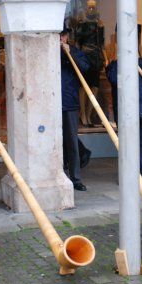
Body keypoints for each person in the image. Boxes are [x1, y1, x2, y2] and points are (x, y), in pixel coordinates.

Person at [106, 49, 142, 186]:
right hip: (125, 112)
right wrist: (121, 63)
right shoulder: (115, 65)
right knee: (126, 145)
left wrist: (139, 63)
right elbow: (113, 79)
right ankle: (127, 174)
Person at [60, 29, 90, 191]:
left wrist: (70, 53)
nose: (60, 38)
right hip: (50, 103)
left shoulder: (74, 51)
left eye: (62, 35)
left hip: (69, 102)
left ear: (66, 37)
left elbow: (85, 67)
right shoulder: (48, 51)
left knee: (72, 141)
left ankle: (76, 178)